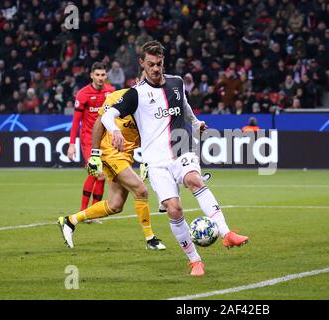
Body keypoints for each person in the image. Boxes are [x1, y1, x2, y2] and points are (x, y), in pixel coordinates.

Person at [101, 41, 249, 276]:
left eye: (159, 64)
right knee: (174, 208)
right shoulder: (135, 94)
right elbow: (108, 115)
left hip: (182, 149)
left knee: (194, 180)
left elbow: (185, 107)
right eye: (150, 64)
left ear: (163, 62)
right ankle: (195, 260)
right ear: (142, 64)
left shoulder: (176, 83)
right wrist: (115, 131)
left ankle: (227, 233)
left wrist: (196, 122)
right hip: (156, 161)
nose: (155, 69)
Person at [58, 79, 166, 251]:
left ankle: (70, 221)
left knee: (115, 205)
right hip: (110, 151)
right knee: (141, 189)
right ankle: (150, 239)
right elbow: (99, 122)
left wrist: (148, 160)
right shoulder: (118, 97)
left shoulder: (152, 106)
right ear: (137, 82)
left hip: (127, 155)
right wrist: (95, 155)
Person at [68, 62, 115, 214]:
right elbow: (76, 121)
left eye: (103, 75)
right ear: (92, 76)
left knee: (102, 176)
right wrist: (71, 144)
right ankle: (84, 211)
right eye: (97, 75)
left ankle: (93, 214)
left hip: (105, 139)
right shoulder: (82, 94)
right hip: (88, 139)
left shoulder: (111, 91)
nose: (100, 78)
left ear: (106, 75)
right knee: (96, 172)